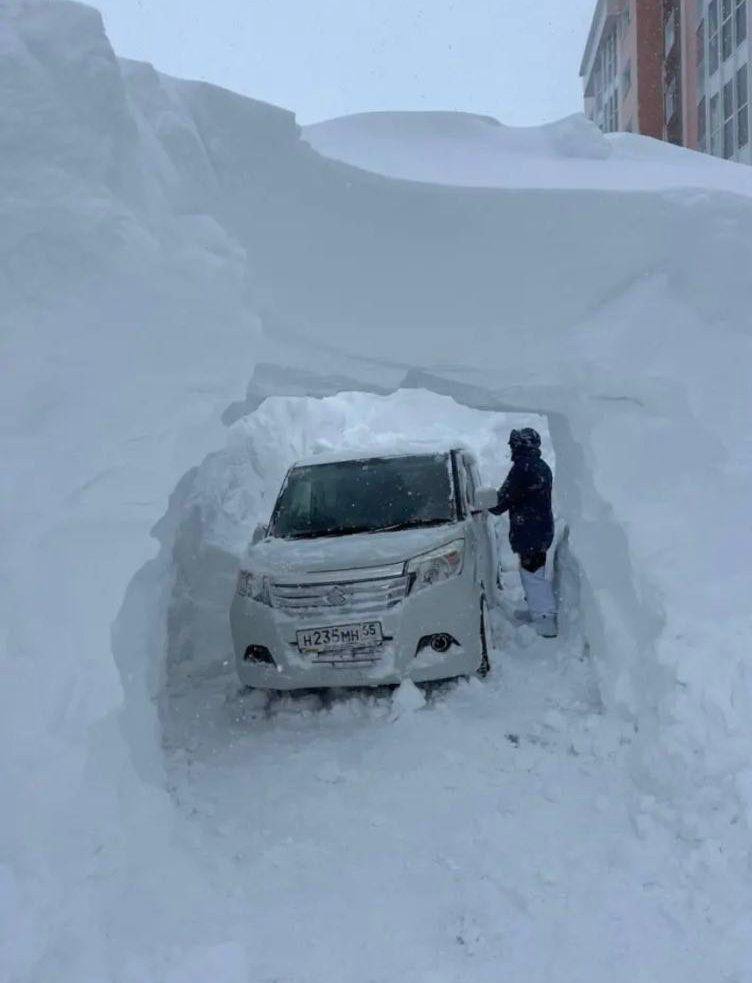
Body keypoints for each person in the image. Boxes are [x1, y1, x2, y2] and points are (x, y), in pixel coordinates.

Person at [490, 428, 557, 638]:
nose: (511, 449)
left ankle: (545, 619)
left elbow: (502, 500)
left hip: (530, 530)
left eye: (513, 445)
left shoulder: (523, 468)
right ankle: (539, 611)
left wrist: (486, 504)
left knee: (533, 574)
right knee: (534, 571)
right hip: (540, 527)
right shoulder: (540, 466)